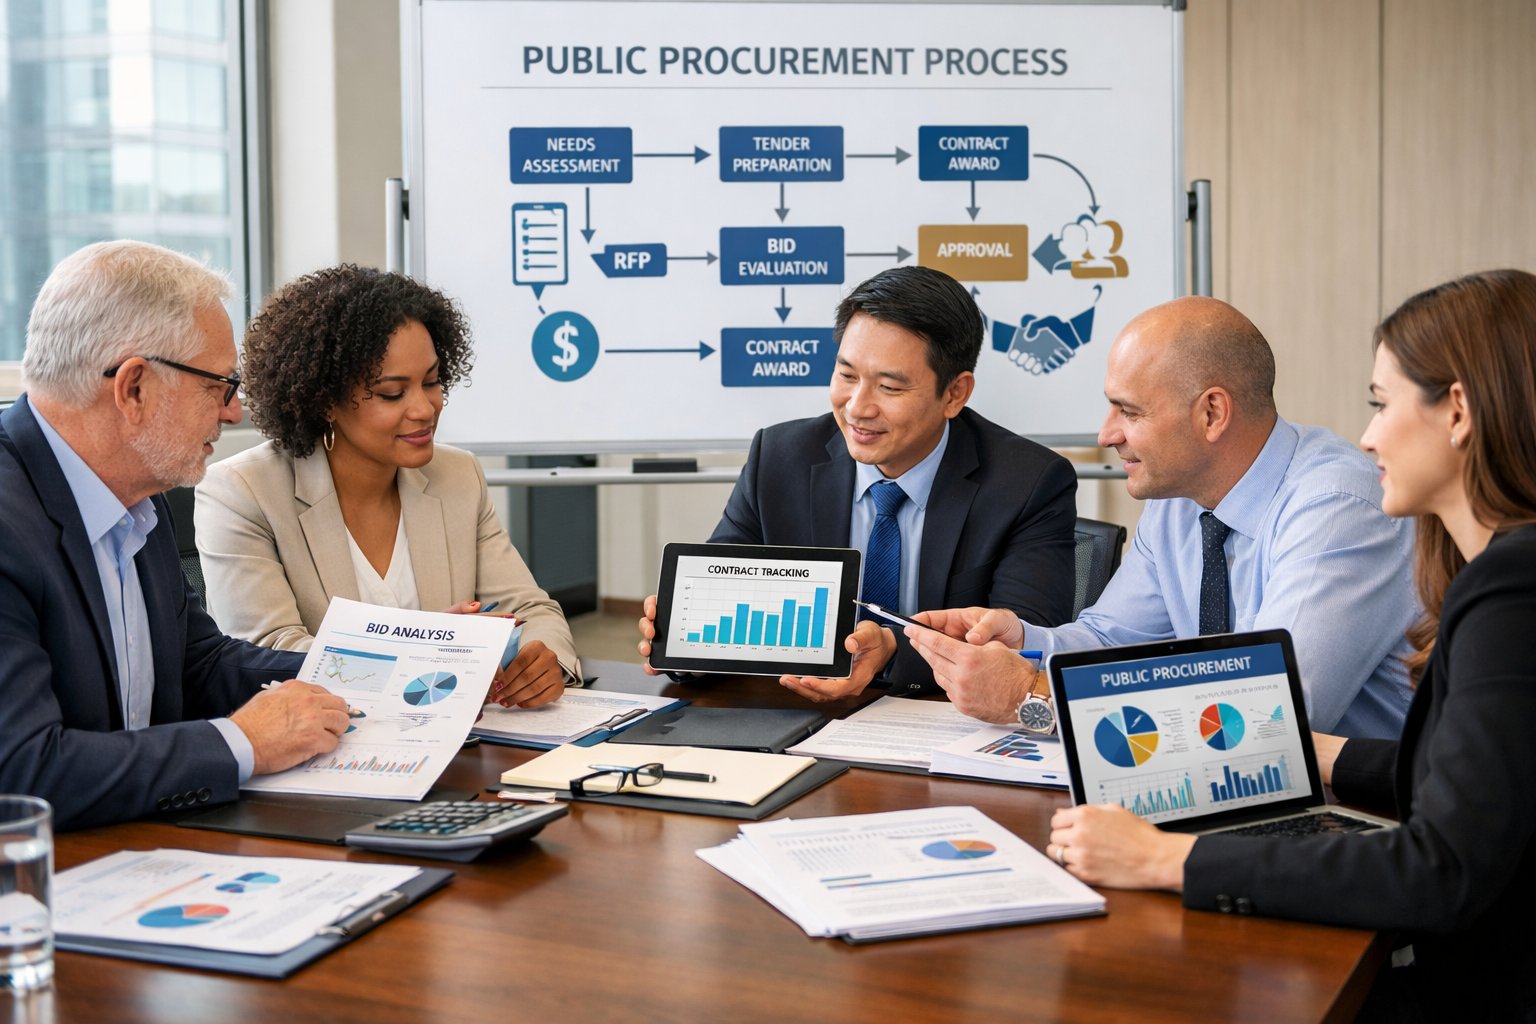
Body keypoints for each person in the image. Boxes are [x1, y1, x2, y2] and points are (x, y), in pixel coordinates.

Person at [1042, 269, 1536, 1020]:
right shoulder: (1501, 574)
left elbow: (1440, 869)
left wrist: (1167, 858)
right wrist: (1322, 753)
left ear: (1458, 412)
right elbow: (1469, 778)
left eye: (1382, 404)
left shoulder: (1510, 593)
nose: (1367, 436)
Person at [907, 296, 1417, 739]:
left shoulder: (1336, 507)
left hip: (1360, 808)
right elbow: (1112, 641)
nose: (1106, 435)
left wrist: (1031, 695)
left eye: (1129, 412)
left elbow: (1268, 714)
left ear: (1212, 414)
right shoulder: (1179, 496)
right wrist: (1023, 643)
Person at [0, 240, 349, 830]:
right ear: (134, 387)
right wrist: (242, 743)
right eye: (219, 385)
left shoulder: (135, 490)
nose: (233, 412)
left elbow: (200, 665)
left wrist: (386, 664)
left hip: (138, 844)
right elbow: (23, 772)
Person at [636, 265, 1077, 698]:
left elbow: (1022, 645)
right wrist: (683, 639)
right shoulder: (779, 457)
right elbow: (720, 599)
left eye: (890, 387)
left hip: (950, 721)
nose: (857, 408)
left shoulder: (1028, 483)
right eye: (847, 376)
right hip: (799, 713)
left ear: (954, 393)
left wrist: (891, 651)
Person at [195, 265, 577, 710]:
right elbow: (269, 654)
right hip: (325, 738)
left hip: (457, 735)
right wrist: (420, 648)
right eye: (393, 393)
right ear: (326, 400)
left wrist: (543, 661)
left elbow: (532, 610)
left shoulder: (458, 476)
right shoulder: (242, 492)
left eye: (432, 382)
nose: (425, 408)